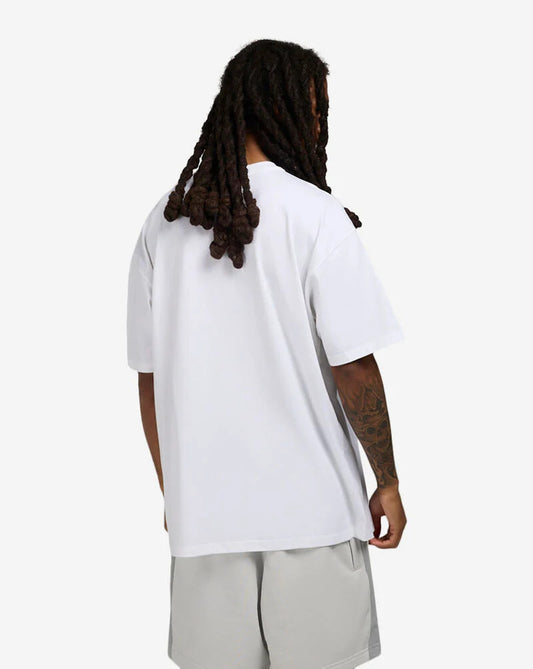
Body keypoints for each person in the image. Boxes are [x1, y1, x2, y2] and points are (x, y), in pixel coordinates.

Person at [127, 38, 407, 669]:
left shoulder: (165, 223)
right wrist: (387, 480)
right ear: (290, 109)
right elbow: (354, 367)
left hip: (205, 526)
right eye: (318, 108)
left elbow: (150, 378)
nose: (320, 125)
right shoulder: (316, 216)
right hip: (314, 519)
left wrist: (175, 489)